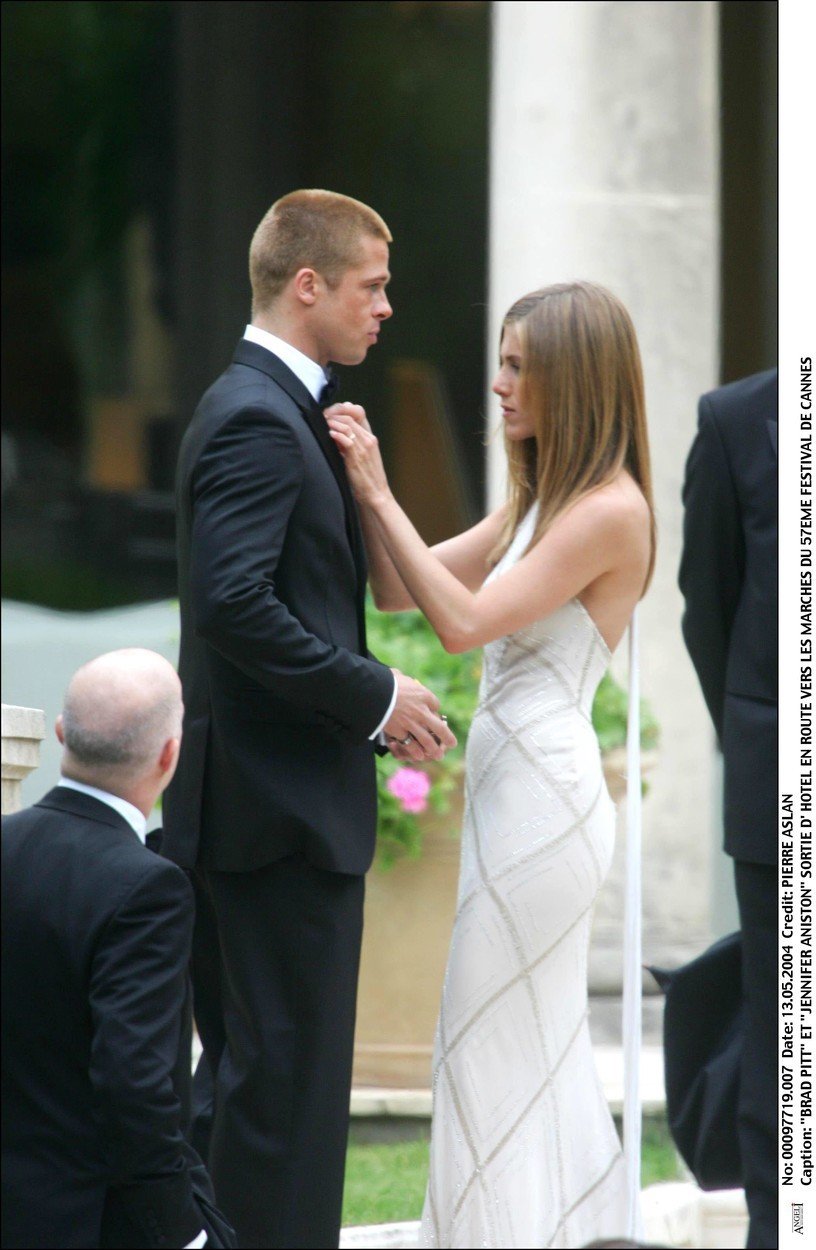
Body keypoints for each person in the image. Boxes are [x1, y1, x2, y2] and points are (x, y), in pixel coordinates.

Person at [326, 280, 656, 1249]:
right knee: (512, 1044)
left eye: (519, 366)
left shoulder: (608, 509)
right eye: (503, 363)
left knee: (488, 1040)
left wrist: (380, 488)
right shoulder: (540, 501)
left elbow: (462, 625)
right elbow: (398, 589)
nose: (500, 385)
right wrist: (365, 492)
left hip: (546, 803)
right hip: (510, 793)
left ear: (574, 379)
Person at [160, 188, 456, 1250]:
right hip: (271, 816)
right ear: (307, 284)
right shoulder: (252, 414)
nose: (386, 308)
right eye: (372, 287)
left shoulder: (285, 407)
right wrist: (375, 694)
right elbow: (234, 602)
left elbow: (305, 591)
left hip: (267, 811)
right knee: (281, 1103)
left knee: (252, 1092)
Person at [1, 649, 231, 1250]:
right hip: (86, 1218)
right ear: (169, 754)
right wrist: (181, 1232)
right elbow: (133, 1082)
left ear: (59, 735)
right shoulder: (147, 886)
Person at [678, 368, 777, 1250]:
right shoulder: (737, 418)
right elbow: (706, 607)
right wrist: (753, 735)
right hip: (775, 779)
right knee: (780, 1029)